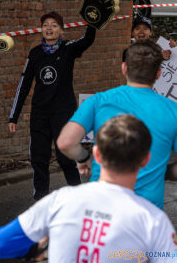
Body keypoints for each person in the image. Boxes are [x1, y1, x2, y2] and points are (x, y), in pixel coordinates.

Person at [0, 114, 177, 262]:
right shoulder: (153, 220)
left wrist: (39, 250)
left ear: (97, 155)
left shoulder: (61, 200)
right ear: (145, 160)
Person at [57, 40, 177, 209]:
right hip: (147, 210)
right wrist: (166, 172)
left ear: (124, 68)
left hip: (101, 205)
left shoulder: (98, 101)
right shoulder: (174, 110)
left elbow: (65, 142)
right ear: (158, 73)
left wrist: (84, 158)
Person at [8, 11, 96, 200]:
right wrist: (13, 116)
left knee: (65, 156)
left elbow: (87, 40)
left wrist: (93, 22)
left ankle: (76, 194)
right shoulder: (35, 53)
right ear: (41, 29)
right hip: (40, 113)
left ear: (61, 30)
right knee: (39, 157)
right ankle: (41, 198)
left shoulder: (68, 48)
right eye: (46, 25)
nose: (49, 28)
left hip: (63, 112)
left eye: (54, 25)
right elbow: (24, 85)